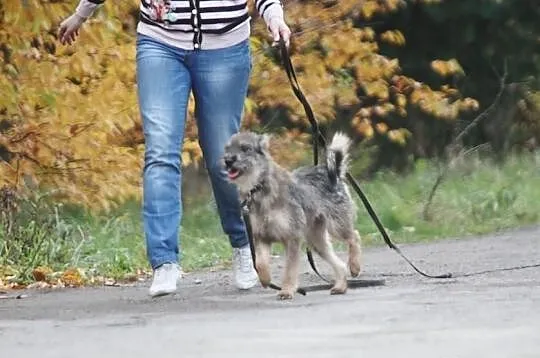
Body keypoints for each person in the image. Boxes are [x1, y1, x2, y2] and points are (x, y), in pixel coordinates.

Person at [58, 0, 291, 297]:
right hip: (161, 43)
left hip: (225, 47)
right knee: (160, 152)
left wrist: (274, 16)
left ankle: (243, 243)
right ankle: (164, 260)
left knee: (225, 159)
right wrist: (82, 14)